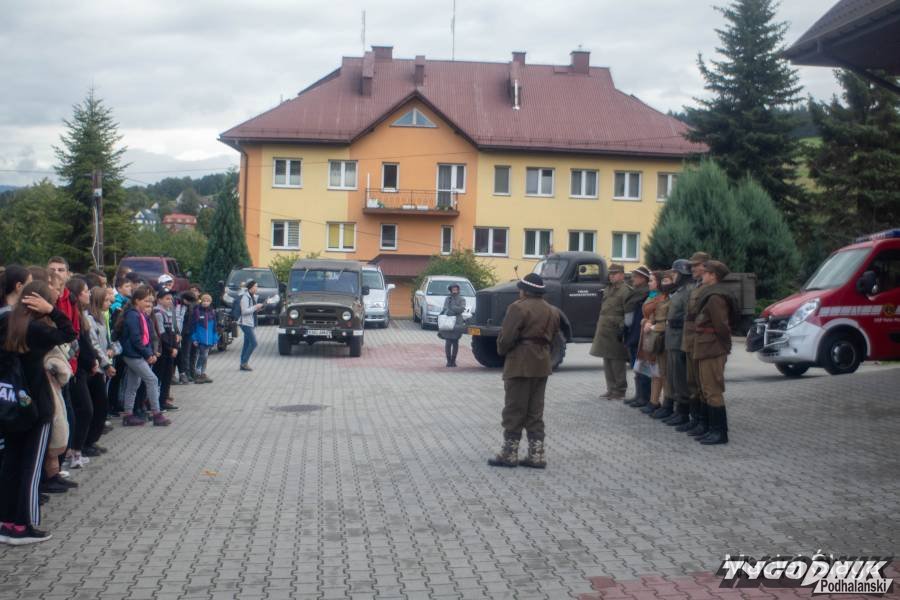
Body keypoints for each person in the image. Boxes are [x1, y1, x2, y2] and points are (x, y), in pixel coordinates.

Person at [0, 281, 76, 544]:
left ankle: (6, 522)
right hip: (36, 408)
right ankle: (23, 526)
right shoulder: (38, 330)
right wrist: (53, 311)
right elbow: (69, 333)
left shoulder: (6, 323)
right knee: (31, 469)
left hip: (10, 404)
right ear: (41, 304)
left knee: (10, 464)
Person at [488, 273, 561, 469]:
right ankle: (536, 455)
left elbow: (506, 337)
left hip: (520, 363)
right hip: (542, 363)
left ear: (525, 290)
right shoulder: (552, 310)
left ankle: (509, 453)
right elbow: (554, 335)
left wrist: (502, 350)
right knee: (535, 411)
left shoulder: (517, 307)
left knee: (514, 409)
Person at [693, 261, 737, 445]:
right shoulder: (710, 294)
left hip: (713, 347)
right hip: (706, 347)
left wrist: (725, 346)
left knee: (713, 390)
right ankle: (711, 428)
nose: (702, 274)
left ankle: (719, 433)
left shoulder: (715, 297)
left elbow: (721, 325)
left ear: (713, 276)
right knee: (706, 389)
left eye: (705, 272)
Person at [117, 286, 170, 427]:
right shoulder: (133, 316)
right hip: (133, 354)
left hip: (137, 353)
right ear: (137, 301)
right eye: (146, 301)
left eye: (150, 301)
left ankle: (128, 415)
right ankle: (156, 414)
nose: (149, 304)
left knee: (133, 384)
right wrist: (148, 355)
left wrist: (150, 353)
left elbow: (148, 337)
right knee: (152, 380)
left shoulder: (140, 315)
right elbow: (136, 339)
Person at [62, 278, 98, 470]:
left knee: (84, 409)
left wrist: (93, 360)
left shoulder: (82, 314)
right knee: (84, 409)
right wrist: (91, 360)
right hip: (76, 368)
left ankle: (76, 449)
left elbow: (87, 342)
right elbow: (80, 343)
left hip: (84, 367)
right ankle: (73, 450)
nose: (89, 293)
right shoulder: (73, 313)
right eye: (85, 290)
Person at [589, 264, 632, 400]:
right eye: (610, 273)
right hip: (605, 330)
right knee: (607, 360)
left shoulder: (626, 290)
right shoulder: (608, 289)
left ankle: (620, 390)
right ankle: (611, 388)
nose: (611, 276)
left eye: (615, 273)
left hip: (616, 330)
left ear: (622, 275)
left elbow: (628, 312)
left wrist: (623, 328)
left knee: (617, 361)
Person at [681, 252, 711, 437]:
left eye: (695, 265)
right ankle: (696, 420)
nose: (692, 269)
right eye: (691, 266)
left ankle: (706, 423)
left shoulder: (709, 288)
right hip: (690, 341)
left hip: (701, 342)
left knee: (703, 384)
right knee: (692, 383)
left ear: (705, 266)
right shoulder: (696, 287)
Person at [84, 287, 115, 456]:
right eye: (106, 300)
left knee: (101, 406)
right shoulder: (89, 318)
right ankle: (86, 442)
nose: (109, 303)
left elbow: (105, 340)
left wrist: (111, 349)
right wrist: (106, 364)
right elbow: (94, 344)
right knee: (97, 405)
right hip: (95, 368)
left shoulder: (101, 318)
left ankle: (92, 440)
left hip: (102, 366)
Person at [624, 266, 651, 407]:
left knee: (642, 366)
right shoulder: (636, 292)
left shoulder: (646, 293)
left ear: (643, 279)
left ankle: (644, 397)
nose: (632, 279)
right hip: (632, 331)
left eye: (635, 277)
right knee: (636, 366)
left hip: (639, 332)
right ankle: (639, 395)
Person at [152, 289, 179, 411]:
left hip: (170, 350)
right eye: (167, 299)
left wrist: (175, 346)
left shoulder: (168, 312)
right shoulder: (158, 313)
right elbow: (161, 334)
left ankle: (164, 400)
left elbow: (172, 332)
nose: (170, 301)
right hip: (162, 351)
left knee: (167, 377)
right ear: (159, 300)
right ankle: (157, 402)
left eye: (171, 299)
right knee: (160, 376)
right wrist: (170, 348)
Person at [237, 280, 264, 371]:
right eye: (256, 286)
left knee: (246, 344)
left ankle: (242, 364)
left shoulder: (252, 296)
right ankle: (244, 363)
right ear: (251, 287)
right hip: (245, 323)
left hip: (250, 322)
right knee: (254, 343)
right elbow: (244, 311)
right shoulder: (245, 297)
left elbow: (251, 310)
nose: (257, 288)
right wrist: (256, 307)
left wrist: (258, 308)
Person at [438, 283, 467, 367]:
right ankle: (448, 361)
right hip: (448, 321)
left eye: (456, 288)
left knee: (455, 341)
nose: (454, 290)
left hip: (457, 322)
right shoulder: (448, 298)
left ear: (458, 289)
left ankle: (453, 361)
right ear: (450, 290)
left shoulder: (462, 299)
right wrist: (451, 311)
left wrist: (453, 308)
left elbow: (461, 309)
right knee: (448, 342)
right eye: (453, 288)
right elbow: (445, 308)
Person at [191, 294, 218, 383]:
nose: (205, 303)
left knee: (205, 356)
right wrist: (194, 338)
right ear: (201, 301)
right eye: (204, 301)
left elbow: (214, 327)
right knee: (202, 354)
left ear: (210, 302)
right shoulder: (197, 311)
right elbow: (193, 326)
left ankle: (203, 373)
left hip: (209, 339)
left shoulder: (212, 312)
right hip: (200, 339)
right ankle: (197, 371)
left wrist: (215, 339)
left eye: (208, 301)